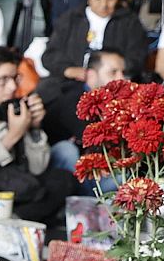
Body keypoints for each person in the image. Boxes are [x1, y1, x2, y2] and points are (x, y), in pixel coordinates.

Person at [0, 46, 73, 223]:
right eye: (3, 79)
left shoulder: (14, 106)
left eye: (15, 78)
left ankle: (10, 220)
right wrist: (12, 136)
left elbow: (37, 169)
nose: (12, 86)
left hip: (13, 186)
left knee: (63, 180)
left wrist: (34, 129)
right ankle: (7, 220)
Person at [39, 0, 148, 108]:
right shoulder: (71, 19)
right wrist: (70, 70)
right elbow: (50, 56)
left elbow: (138, 59)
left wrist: (112, 72)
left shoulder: (129, 22)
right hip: (70, 87)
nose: (104, 4)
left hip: (115, 91)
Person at [43, 49, 129, 191]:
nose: (122, 79)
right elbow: (92, 140)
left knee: (125, 174)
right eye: (113, 72)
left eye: (122, 72)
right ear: (91, 75)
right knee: (67, 150)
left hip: (99, 170)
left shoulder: (120, 102)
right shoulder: (74, 100)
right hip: (61, 170)